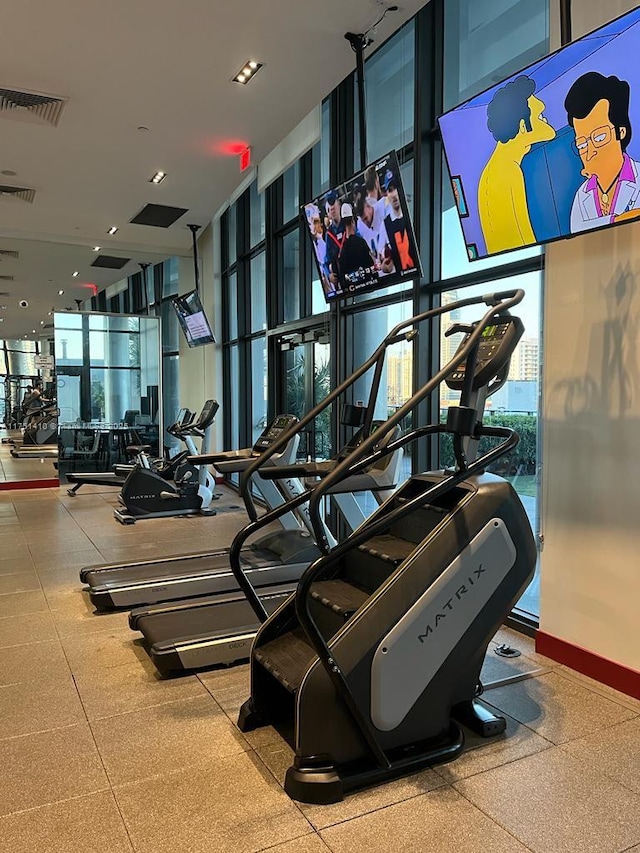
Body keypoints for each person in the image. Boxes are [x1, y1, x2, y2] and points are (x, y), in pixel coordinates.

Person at [478, 75, 556, 254]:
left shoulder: (496, 169)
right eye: (540, 115)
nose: (545, 117)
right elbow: (523, 241)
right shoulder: (507, 172)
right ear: (523, 125)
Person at [565, 71, 640, 233]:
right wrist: (617, 220)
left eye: (599, 137)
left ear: (621, 131)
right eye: (582, 144)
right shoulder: (581, 196)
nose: (589, 152)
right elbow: (577, 234)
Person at [382, 170, 417, 274]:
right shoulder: (385, 224)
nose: (394, 194)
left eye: (396, 188)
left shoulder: (413, 213)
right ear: (387, 194)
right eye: (390, 190)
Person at [336, 203, 376, 290]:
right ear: (353, 221)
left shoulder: (342, 252)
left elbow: (343, 282)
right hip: (367, 287)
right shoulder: (361, 243)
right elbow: (373, 268)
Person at [323, 190, 345, 291]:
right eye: (329, 204)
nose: (332, 208)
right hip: (341, 278)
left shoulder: (349, 223)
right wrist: (329, 275)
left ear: (339, 204)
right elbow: (326, 261)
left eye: (333, 202)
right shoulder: (329, 234)